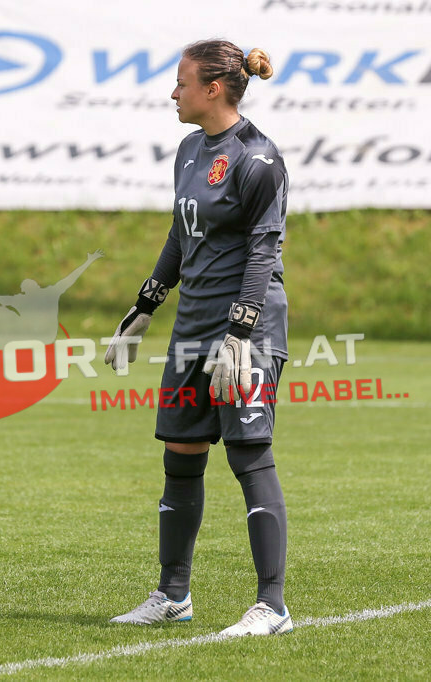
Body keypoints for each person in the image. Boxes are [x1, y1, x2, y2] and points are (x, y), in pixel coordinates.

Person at [104, 39, 291, 637]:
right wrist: (143, 310)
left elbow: (264, 249)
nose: (173, 92)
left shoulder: (258, 159)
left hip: (248, 329)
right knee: (180, 455)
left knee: (247, 453)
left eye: (182, 82)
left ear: (214, 89)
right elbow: (178, 238)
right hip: (192, 328)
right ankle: (172, 595)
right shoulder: (189, 150)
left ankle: (272, 606)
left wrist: (239, 334)